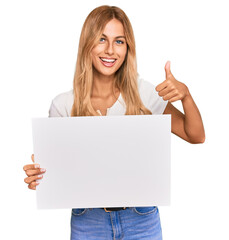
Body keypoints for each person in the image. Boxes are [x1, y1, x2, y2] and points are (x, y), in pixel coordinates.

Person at [23, 5, 205, 240]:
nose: (110, 50)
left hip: (142, 219)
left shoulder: (144, 94)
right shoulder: (63, 105)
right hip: (88, 221)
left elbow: (196, 135)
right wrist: (38, 176)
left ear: (128, 47)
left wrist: (186, 96)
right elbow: (58, 173)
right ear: (87, 44)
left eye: (119, 41)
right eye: (101, 39)